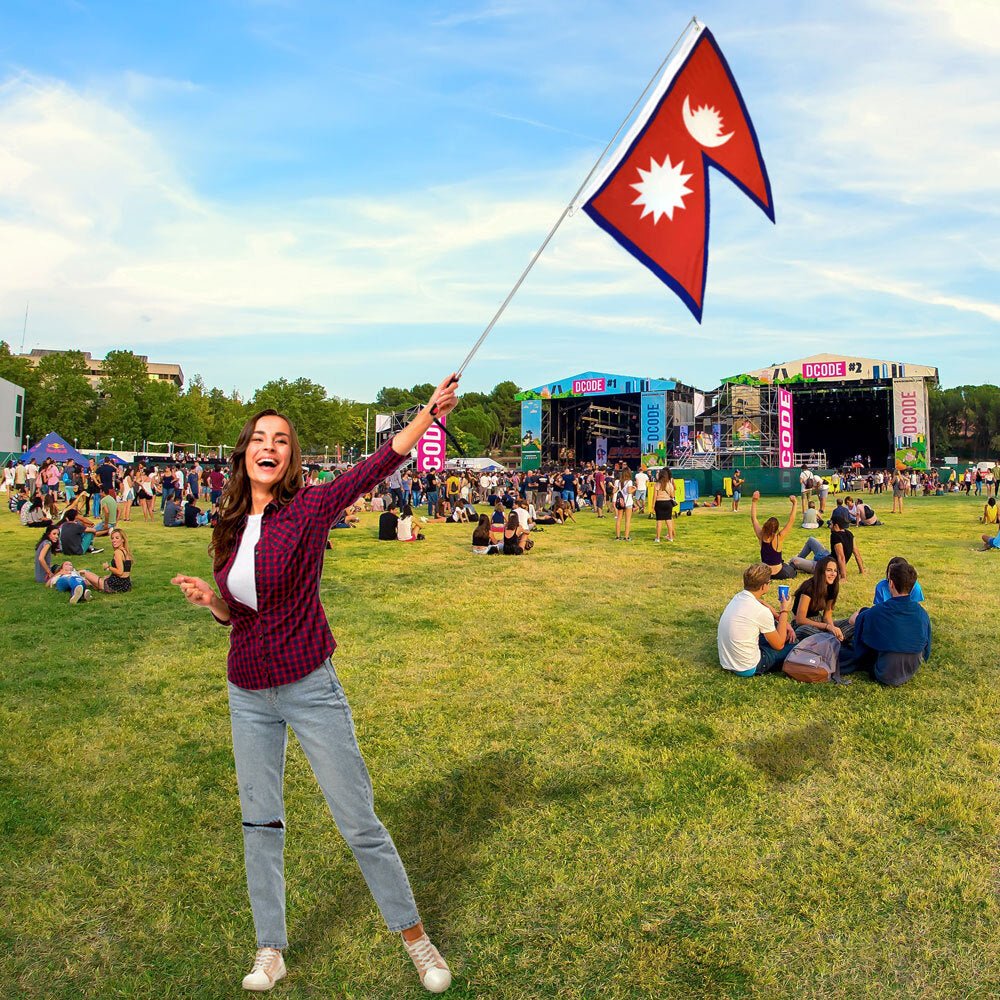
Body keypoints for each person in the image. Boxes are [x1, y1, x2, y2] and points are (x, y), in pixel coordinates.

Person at [171, 378, 457, 994]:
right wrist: (212, 602)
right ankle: (270, 948)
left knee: (356, 818)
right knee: (260, 823)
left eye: (281, 440)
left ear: (289, 457)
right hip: (247, 693)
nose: (268, 447)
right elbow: (238, 611)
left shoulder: (307, 508)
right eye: (259, 438)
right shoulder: (226, 526)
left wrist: (426, 416)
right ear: (245, 451)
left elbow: (376, 466)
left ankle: (416, 939)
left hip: (308, 685)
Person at [844, 560, 931, 686]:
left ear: (891, 583)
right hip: (911, 669)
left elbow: (856, 622)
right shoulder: (922, 613)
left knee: (863, 620)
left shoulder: (879, 611)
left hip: (884, 673)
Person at [717, 562, 797, 677]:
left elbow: (761, 602)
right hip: (748, 667)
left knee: (771, 631)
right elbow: (779, 645)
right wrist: (784, 611)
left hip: (728, 662)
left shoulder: (738, 597)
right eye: (769, 582)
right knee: (796, 646)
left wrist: (777, 616)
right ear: (764, 586)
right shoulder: (760, 612)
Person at [749, 493, 827, 578]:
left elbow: (754, 519)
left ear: (765, 526)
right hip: (779, 573)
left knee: (786, 565)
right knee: (792, 567)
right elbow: (791, 520)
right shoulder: (779, 537)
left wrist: (754, 502)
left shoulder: (761, 535)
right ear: (776, 529)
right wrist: (795, 503)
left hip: (766, 573)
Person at [791, 556, 853, 641]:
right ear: (821, 571)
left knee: (851, 623)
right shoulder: (809, 588)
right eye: (829, 570)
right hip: (803, 625)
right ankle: (836, 640)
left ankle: (834, 639)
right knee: (807, 631)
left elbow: (827, 616)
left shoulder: (832, 587)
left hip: (819, 622)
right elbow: (800, 619)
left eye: (835, 571)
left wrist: (832, 629)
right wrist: (827, 627)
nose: (833, 574)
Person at [81, 528, 133, 594]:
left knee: (85, 573)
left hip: (114, 585)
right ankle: (83, 583)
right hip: (126, 585)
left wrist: (108, 567)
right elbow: (125, 571)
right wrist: (109, 576)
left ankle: (73, 575)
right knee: (90, 581)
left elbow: (120, 572)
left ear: (123, 539)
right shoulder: (126, 551)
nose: (114, 540)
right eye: (112, 538)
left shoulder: (118, 552)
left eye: (117, 538)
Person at [830, 514, 866, 580]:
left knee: (804, 563)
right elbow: (856, 553)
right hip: (828, 558)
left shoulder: (835, 536)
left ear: (836, 526)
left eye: (831, 524)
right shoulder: (849, 534)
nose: (830, 526)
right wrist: (862, 571)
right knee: (811, 541)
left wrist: (843, 577)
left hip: (828, 565)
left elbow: (841, 557)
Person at [653, 468, 676, 543]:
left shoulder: (657, 484)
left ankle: (658, 538)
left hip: (659, 503)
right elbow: (672, 495)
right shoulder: (670, 485)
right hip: (668, 503)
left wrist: (653, 505)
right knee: (668, 520)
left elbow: (654, 496)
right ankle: (671, 537)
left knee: (659, 521)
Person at [613, 468, 635, 541]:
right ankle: (626, 537)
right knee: (627, 520)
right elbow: (629, 491)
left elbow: (614, 491)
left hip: (620, 502)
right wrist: (635, 488)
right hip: (628, 502)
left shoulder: (619, 482)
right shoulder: (629, 482)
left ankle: (618, 537)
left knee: (619, 519)